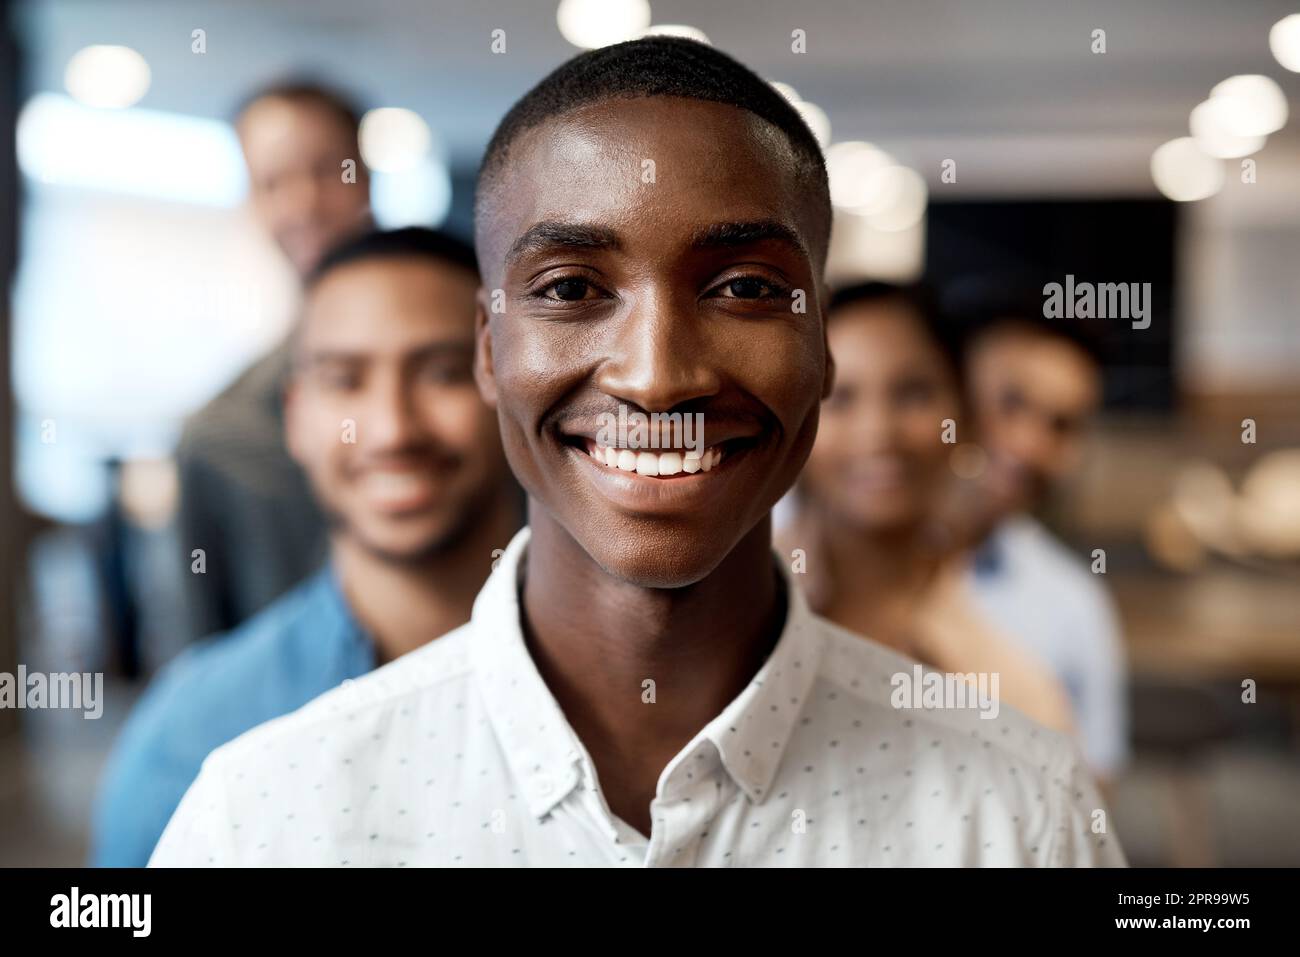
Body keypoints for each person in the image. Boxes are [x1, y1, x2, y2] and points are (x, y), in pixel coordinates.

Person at [150, 37, 1124, 867]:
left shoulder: (1018, 818)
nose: (658, 377)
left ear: (821, 348)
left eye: (743, 287)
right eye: (572, 289)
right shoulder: (267, 821)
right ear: (490, 352)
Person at [93, 228, 519, 866]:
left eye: (443, 372)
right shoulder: (195, 731)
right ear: (296, 417)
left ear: (511, 389)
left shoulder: (639, 685)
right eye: (344, 381)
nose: (392, 429)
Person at [778, 282, 1074, 735]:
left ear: (967, 419)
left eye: (912, 394)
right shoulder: (713, 617)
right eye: (839, 397)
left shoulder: (1016, 691)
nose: (878, 433)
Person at [173, 81, 375, 642]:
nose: (304, 203)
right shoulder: (221, 435)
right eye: (272, 182)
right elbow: (202, 649)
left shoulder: (493, 369)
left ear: (366, 174)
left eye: (328, 171)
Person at [950, 303, 1129, 777]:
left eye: (1063, 425)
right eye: (1010, 402)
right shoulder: (811, 551)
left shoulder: (1074, 601)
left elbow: (1094, 798)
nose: (1029, 445)